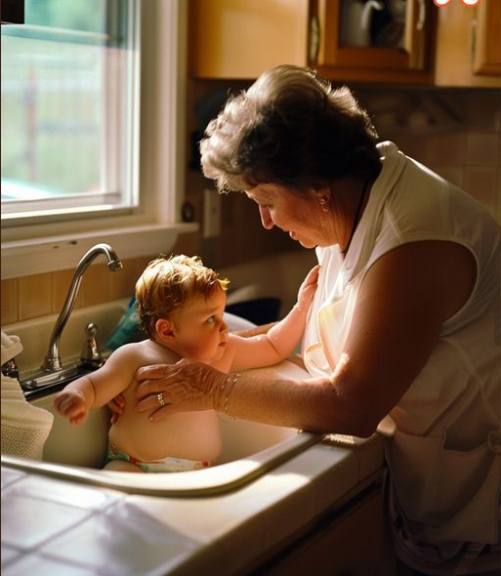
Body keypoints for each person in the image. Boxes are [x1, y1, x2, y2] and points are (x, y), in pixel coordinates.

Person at [133, 66, 500, 575]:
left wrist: (214, 389)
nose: (266, 220)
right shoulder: (350, 205)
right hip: (432, 490)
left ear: (315, 186)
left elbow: (352, 404)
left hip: (481, 512)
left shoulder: (415, 240)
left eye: (266, 201)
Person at [54, 254, 318, 473]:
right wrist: (77, 397)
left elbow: (273, 345)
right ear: (167, 331)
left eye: (221, 314)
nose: (224, 326)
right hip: (134, 467)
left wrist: (302, 307)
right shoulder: (134, 357)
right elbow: (93, 384)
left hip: (198, 471)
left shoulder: (223, 353)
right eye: (210, 319)